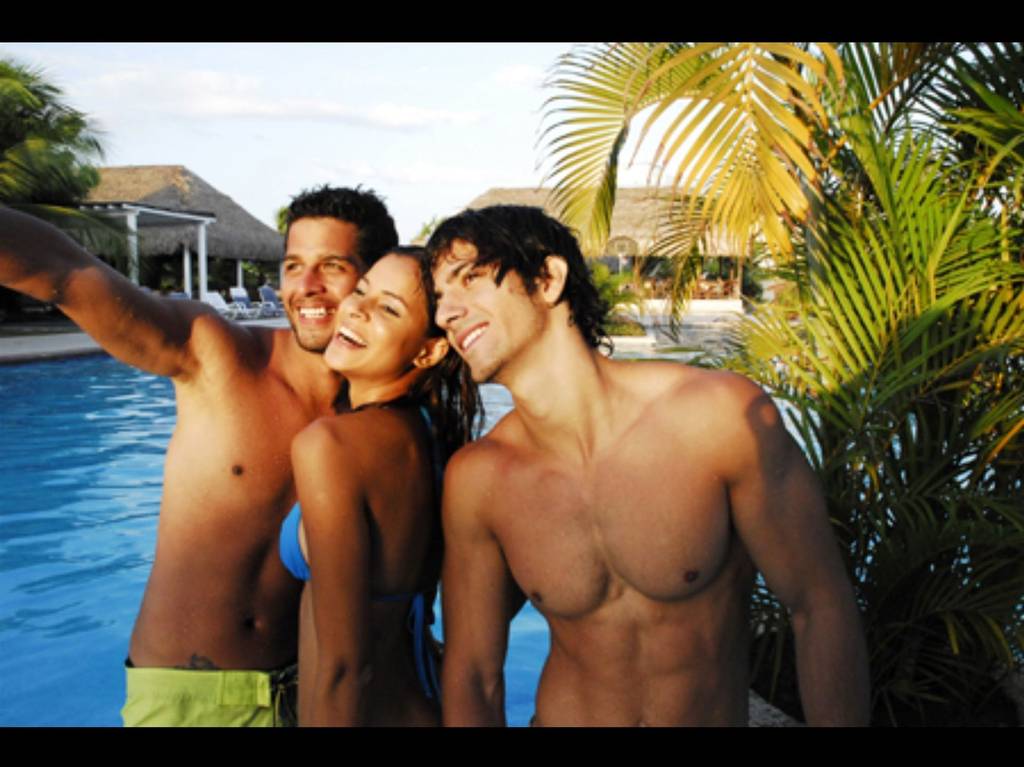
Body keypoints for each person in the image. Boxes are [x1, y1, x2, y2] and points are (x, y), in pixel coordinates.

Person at [427, 205, 870, 727]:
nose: (445, 314)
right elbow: (474, 672)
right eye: (438, 297)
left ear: (548, 280)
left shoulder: (715, 420)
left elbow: (819, 606)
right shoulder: (480, 479)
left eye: (470, 280)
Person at [0, 186, 398, 726]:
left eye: (332, 266)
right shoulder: (217, 354)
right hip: (189, 699)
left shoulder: (388, 421)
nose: (306, 287)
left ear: (372, 280)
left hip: (313, 700)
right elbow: (65, 273)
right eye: (293, 266)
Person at [279, 246, 480, 725]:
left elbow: (344, 668)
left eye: (389, 308)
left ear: (429, 350)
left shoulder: (330, 446)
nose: (357, 309)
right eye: (363, 291)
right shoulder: (433, 436)